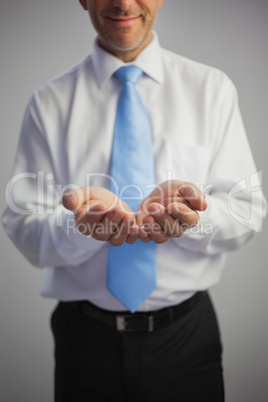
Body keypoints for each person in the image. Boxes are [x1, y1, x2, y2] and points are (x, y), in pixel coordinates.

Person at [2, 0, 266, 401]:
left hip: (186, 340)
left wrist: (196, 220)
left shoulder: (211, 90)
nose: (124, 3)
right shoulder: (48, 103)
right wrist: (79, 227)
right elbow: (23, 225)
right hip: (85, 344)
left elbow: (247, 211)